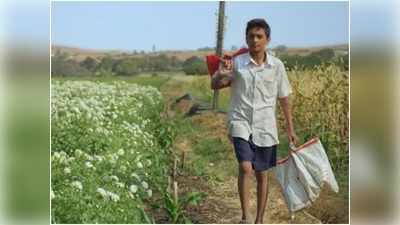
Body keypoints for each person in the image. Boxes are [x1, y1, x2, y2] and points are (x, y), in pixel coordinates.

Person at [211, 18, 299, 224]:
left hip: (266, 126)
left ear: (267, 39)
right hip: (240, 122)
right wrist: (220, 74)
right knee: (245, 167)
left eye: (259, 36)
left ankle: (259, 219)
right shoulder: (236, 63)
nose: (255, 40)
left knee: (262, 173)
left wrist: (290, 128)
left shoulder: (276, 66)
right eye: (251, 36)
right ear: (246, 38)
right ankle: (245, 217)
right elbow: (215, 85)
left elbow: (284, 98)